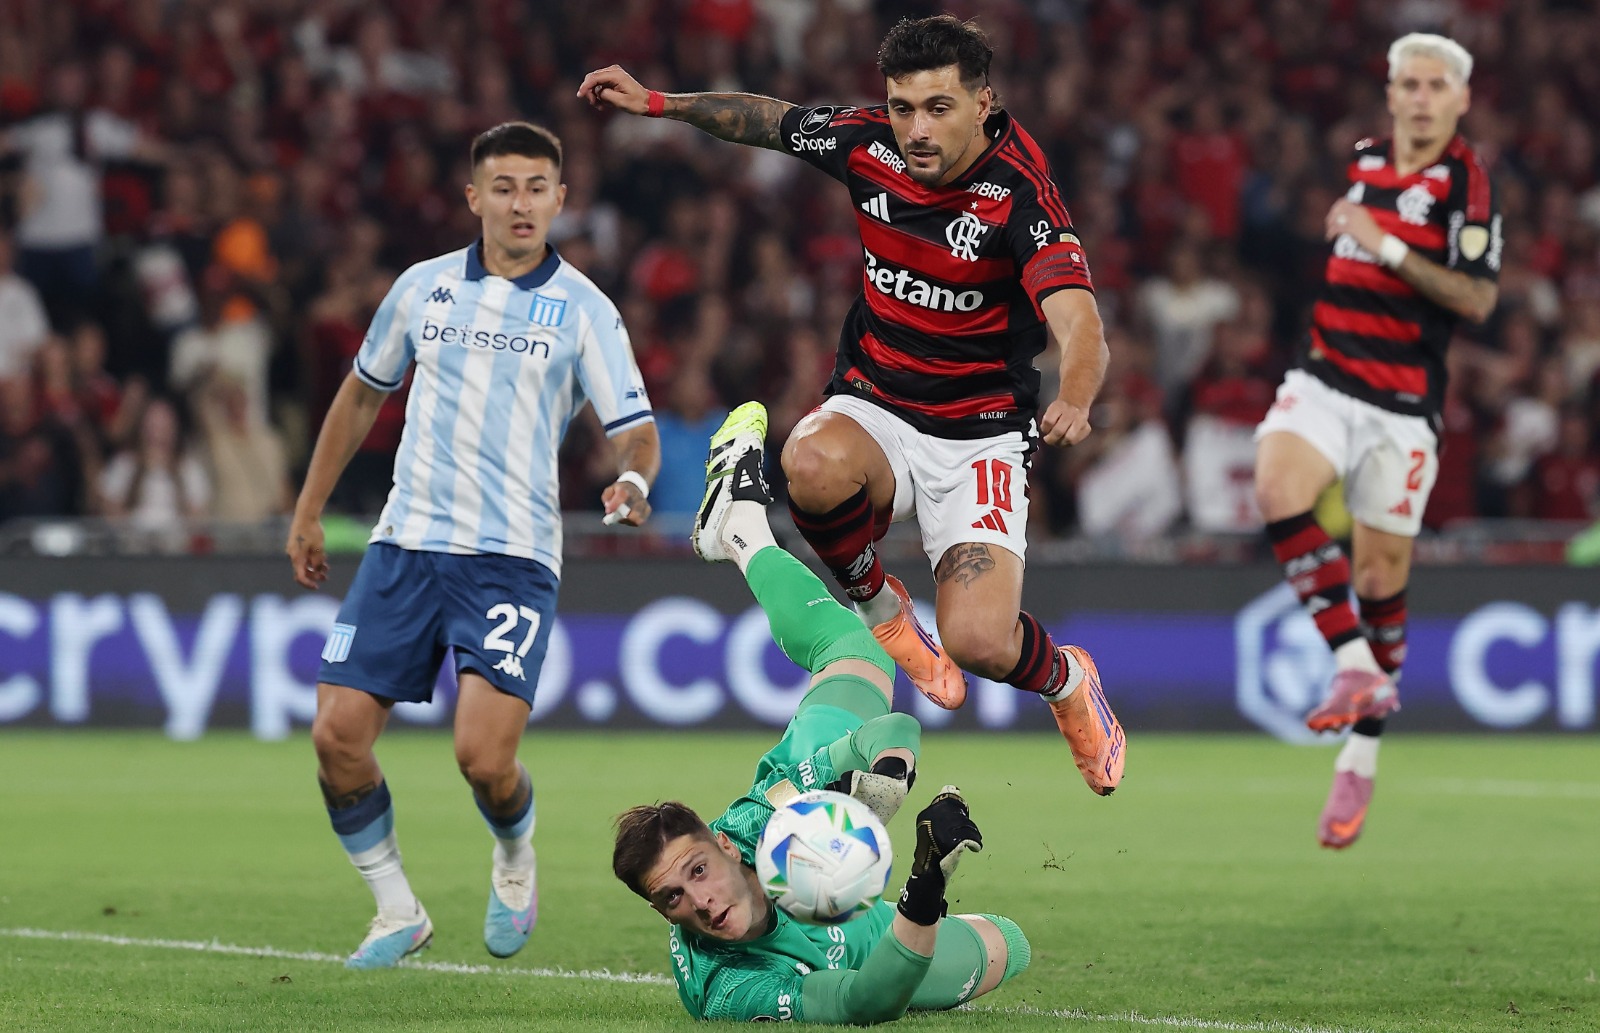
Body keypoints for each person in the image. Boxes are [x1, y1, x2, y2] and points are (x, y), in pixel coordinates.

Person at [580, 15, 1125, 796]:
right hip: (877, 401)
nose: (915, 129)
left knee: (978, 641)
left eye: (937, 107)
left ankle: (1069, 682)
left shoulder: (1020, 194)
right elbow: (767, 119)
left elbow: (1080, 322)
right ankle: (881, 610)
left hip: (978, 435)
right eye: (902, 107)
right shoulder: (866, 142)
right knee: (806, 460)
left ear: (984, 102)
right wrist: (660, 103)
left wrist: (1075, 396)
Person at [285, 122, 660, 968]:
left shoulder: (587, 312)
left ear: (561, 199)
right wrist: (307, 509)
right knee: (336, 733)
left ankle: (516, 853)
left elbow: (635, 433)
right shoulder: (422, 290)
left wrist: (632, 483)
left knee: (483, 759)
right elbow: (358, 398)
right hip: (406, 543)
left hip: (512, 556)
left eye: (536, 187)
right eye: (503, 187)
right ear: (474, 197)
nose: (520, 203)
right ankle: (396, 910)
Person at [613, 401, 1029, 1024]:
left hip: (823, 819)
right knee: (1004, 943)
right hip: (863, 946)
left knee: (861, 652)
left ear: (726, 845)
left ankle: (742, 530)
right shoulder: (726, 986)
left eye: (698, 869)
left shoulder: (767, 816)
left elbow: (894, 729)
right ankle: (741, 529)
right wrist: (924, 882)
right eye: (671, 897)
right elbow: (860, 1004)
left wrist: (884, 778)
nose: (699, 900)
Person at [1252, 34, 1501, 848]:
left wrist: (1383, 240)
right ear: (1390, 93)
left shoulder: (1466, 183)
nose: (1422, 98)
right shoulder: (1363, 158)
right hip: (1326, 378)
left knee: (1380, 573)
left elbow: (1476, 298)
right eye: (1409, 84)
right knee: (1276, 484)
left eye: (1438, 86)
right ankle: (1353, 663)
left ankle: (1360, 753)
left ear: (1460, 100)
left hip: (1403, 404)